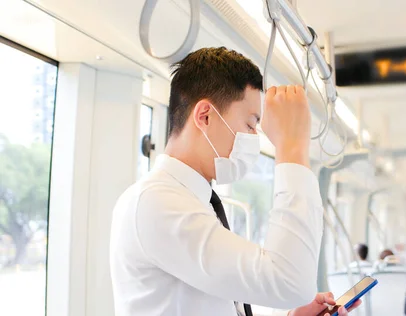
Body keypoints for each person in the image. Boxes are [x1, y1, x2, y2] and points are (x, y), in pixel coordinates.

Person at [110, 47, 359, 316]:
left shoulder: (195, 202)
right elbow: (291, 284)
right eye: (251, 125)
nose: (254, 137)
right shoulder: (156, 203)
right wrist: (292, 147)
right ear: (204, 116)